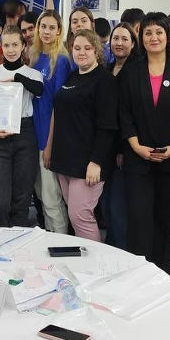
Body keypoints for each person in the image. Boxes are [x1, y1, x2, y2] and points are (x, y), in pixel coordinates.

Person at [119, 12, 170, 273]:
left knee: (166, 220)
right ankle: (139, 276)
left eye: (159, 32)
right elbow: (124, 113)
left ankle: (162, 274)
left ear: (167, 36)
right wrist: (136, 146)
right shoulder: (131, 71)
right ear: (141, 37)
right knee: (139, 220)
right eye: (148, 33)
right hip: (138, 160)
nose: (154, 37)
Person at [49, 30, 118, 241]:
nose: (81, 52)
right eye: (77, 48)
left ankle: (95, 260)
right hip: (65, 161)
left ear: (96, 51)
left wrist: (96, 162)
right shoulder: (73, 76)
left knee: (80, 216)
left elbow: (108, 126)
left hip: (88, 164)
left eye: (87, 48)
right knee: (75, 216)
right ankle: (83, 256)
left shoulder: (105, 81)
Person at [0, 26, 43, 226]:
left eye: (15, 45)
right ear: (1, 47)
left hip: (25, 134)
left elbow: (39, 90)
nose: (10, 50)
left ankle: (18, 238)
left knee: (22, 196)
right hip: (1, 135)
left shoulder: (33, 74)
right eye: (6, 45)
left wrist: (16, 77)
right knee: (0, 201)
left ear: (23, 46)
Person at [30, 10, 71, 234]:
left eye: (51, 27)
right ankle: (50, 239)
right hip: (33, 135)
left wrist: (49, 145)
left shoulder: (61, 60)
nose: (46, 31)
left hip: (48, 137)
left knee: (51, 197)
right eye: (43, 26)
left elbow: (59, 106)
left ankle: (61, 242)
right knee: (40, 194)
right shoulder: (34, 57)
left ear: (59, 31)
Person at [103, 22, 139, 251]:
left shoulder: (136, 71)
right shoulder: (107, 69)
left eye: (125, 39)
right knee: (106, 205)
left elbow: (131, 115)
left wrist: (122, 149)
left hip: (124, 149)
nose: (119, 43)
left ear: (133, 43)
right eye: (115, 38)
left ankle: (122, 252)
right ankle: (111, 249)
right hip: (104, 148)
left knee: (119, 208)